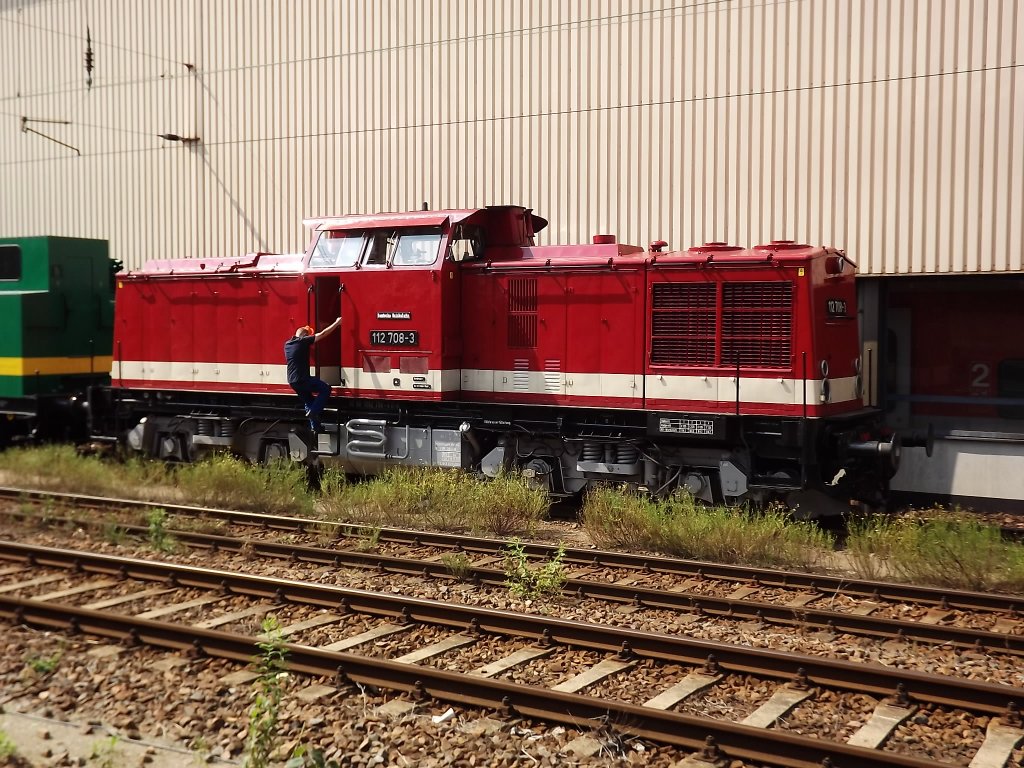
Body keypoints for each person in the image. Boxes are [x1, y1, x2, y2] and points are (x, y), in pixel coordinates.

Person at [284, 317, 341, 431]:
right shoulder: (303, 341)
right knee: (325, 389)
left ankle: (316, 427)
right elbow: (323, 334)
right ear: (305, 336)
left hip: (292, 381)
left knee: (309, 401)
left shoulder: (287, 344)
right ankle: (314, 412)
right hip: (302, 379)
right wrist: (337, 323)